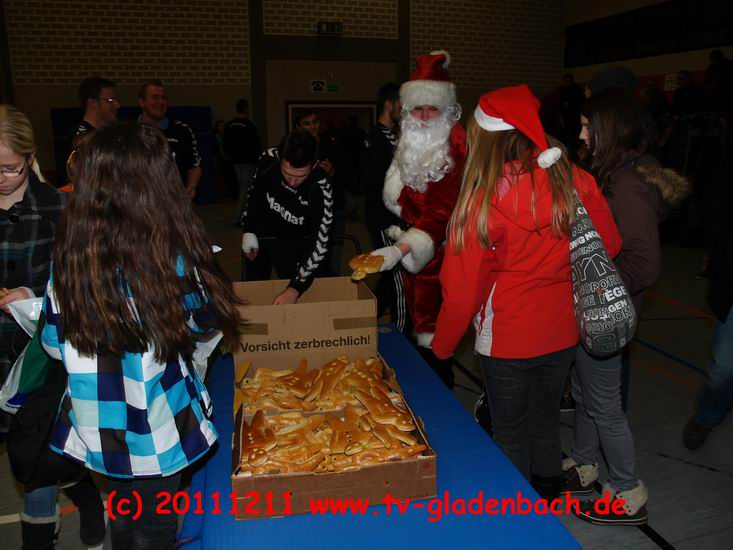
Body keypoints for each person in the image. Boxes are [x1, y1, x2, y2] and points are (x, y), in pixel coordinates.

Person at [40, 122, 239, 549]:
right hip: (157, 421)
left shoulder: (69, 259)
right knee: (155, 526)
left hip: (97, 420)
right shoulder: (171, 257)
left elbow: (53, 344)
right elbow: (203, 322)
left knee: (123, 510)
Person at [430, 84, 622, 503]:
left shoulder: (482, 200)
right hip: (563, 330)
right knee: (545, 420)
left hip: (508, 336)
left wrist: (442, 346)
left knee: (510, 432)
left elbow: (462, 289)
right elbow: (608, 244)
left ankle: (516, 514)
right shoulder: (576, 179)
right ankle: (548, 495)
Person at [564, 88, 689, 525]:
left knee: (603, 402)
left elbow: (645, 262)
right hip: (596, 307)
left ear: (609, 130)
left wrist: (600, 286)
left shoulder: (629, 185)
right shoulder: (614, 173)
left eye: (587, 127)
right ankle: (584, 463)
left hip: (607, 311)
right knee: (584, 391)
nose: (581, 135)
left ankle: (627, 490)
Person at [0, 104, 105, 549]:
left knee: (36, 449)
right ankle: (85, 492)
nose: (1, 178)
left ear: (31, 158)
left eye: (10, 168)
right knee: (36, 452)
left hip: (43, 354)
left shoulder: (60, 208)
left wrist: (35, 296)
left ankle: (39, 536)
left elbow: (84, 285)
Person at [369, 50, 466, 390]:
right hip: (415, 252)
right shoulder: (410, 139)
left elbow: (441, 213)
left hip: (443, 255)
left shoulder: (453, 146)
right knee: (417, 324)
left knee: (435, 334)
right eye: (417, 109)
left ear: (446, 110)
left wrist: (402, 248)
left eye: (432, 109)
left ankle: (441, 395)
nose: (424, 117)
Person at [241, 129, 333, 305]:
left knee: (295, 295)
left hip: (296, 242)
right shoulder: (268, 158)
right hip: (263, 235)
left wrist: (295, 288)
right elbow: (254, 194)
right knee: (253, 292)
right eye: (287, 173)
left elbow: (320, 244)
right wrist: (249, 230)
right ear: (280, 158)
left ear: (314, 165)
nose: (292, 182)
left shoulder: (322, 187)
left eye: (300, 176)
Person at [362, 82, 411, 333]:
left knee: (389, 276)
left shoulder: (395, 136)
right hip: (384, 219)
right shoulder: (376, 140)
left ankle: (362, 322)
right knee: (398, 280)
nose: (405, 111)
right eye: (402, 106)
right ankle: (403, 333)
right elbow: (383, 184)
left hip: (397, 219)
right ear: (389, 105)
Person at [295, 110, 353, 275]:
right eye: (307, 123)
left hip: (333, 211)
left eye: (315, 122)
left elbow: (350, 178)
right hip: (304, 212)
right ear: (298, 127)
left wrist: (332, 172)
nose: (312, 127)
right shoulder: (294, 148)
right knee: (305, 261)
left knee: (333, 262)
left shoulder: (333, 146)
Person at [138, 79, 202, 198]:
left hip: (174, 200)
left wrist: (191, 185)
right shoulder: (130, 133)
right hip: (139, 201)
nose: (160, 102)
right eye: (155, 97)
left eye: (164, 98)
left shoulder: (182, 130)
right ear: (142, 102)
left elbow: (194, 165)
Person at [65, 76, 119, 185]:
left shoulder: (106, 134)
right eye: (111, 100)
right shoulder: (81, 139)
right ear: (92, 103)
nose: (117, 105)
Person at [224, 99, 262, 222]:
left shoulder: (230, 124)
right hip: (249, 161)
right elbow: (256, 143)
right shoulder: (250, 124)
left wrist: (229, 157)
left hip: (235, 161)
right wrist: (259, 158)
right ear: (246, 108)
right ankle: (237, 217)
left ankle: (243, 214)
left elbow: (225, 143)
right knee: (245, 188)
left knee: (242, 187)